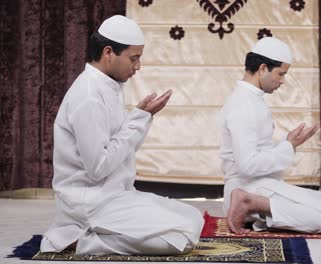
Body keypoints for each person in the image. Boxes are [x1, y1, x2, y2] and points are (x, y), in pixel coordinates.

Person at [40, 15, 204, 256]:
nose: (137, 67)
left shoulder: (108, 86)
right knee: (180, 237)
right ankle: (81, 241)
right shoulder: (88, 96)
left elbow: (119, 149)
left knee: (192, 217)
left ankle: (87, 232)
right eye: (134, 58)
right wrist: (137, 120)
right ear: (108, 52)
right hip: (92, 203)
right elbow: (99, 167)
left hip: (116, 196)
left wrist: (141, 117)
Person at [219, 37, 321, 235]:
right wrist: (288, 147)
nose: (282, 81)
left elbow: (256, 151)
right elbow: (247, 165)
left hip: (255, 185)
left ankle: (256, 205)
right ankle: (250, 203)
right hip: (246, 188)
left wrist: (289, 144)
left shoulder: (250, 99)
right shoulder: (244, 106)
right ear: (262, 68)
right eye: (281, 74)